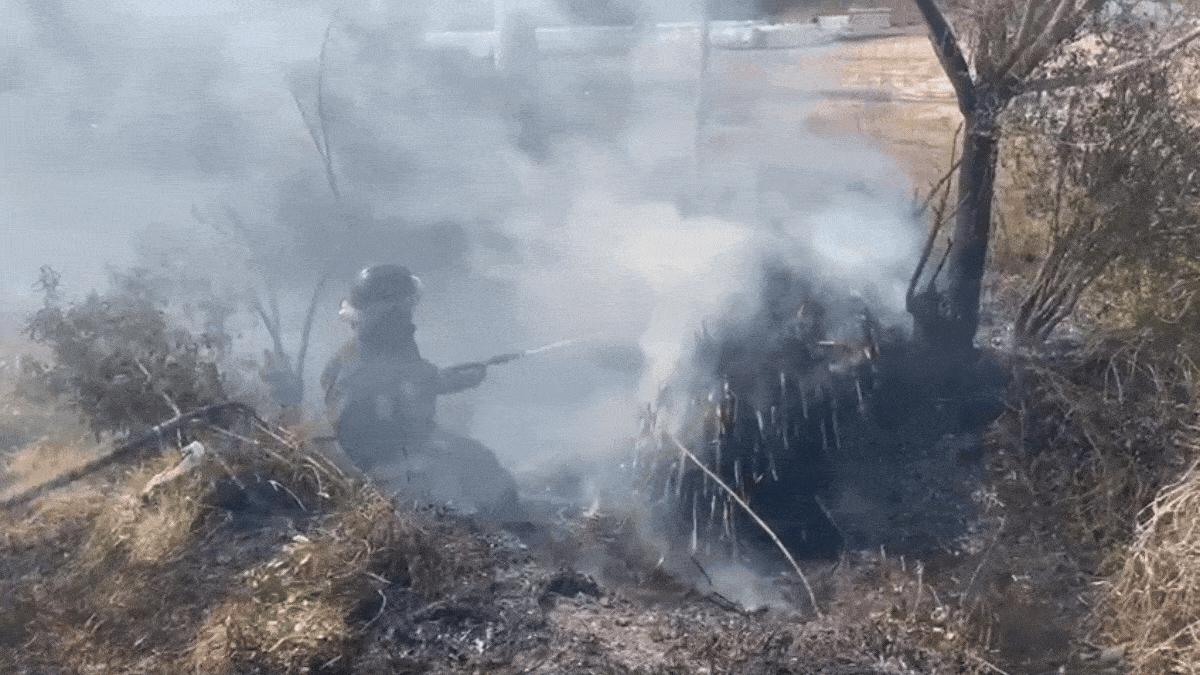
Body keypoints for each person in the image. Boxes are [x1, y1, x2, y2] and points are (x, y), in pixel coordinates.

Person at [321, 265, 521, 520]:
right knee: (477, 485)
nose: (412, 307)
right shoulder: (377, 345)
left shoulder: (377, 339)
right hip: (390, 455)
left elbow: (405, 377)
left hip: (401, 443)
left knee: (481, 461)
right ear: (391, 305)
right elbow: (382, 389)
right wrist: (442, 383)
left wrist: (442, 378)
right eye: (407, 301)